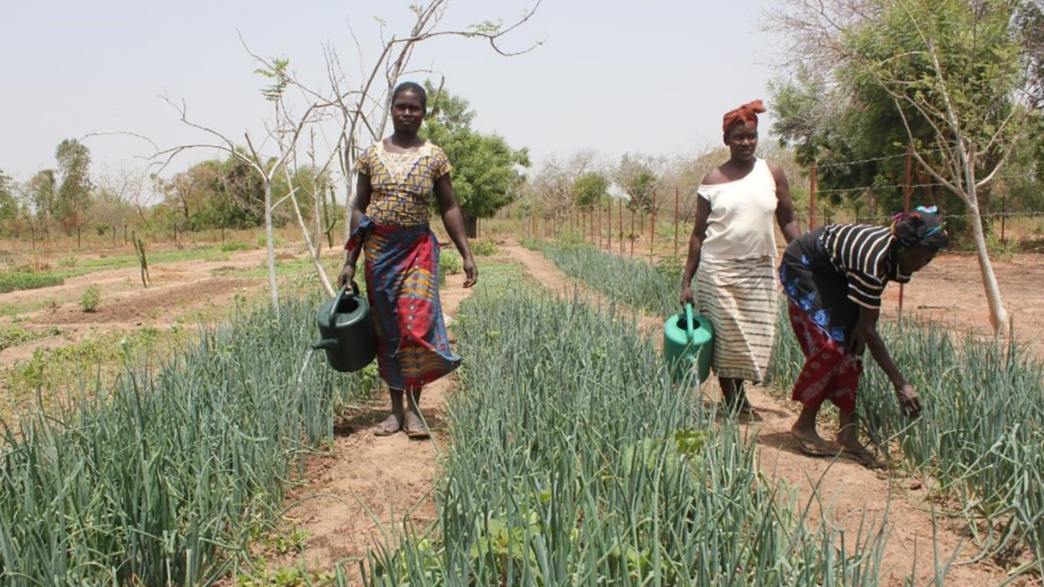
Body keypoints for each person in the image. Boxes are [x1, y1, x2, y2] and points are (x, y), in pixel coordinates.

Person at [337, 81, 478, 439]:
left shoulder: (434, 156)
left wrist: (466, 252)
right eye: (401, 106)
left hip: (418, 250)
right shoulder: (370, 156)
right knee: (389, 331)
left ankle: (415, 410)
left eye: (414, 108)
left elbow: (449, 206)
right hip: (380, 252)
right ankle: (395, 410)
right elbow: (359, 207)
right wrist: (350, 259)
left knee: (415, 328)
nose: (407, 113)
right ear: (392, 109)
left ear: (423, 113)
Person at [778, 207, 947, 467]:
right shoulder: (874, 259)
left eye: (927, 260)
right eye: (917, 258)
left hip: (838, 273)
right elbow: (870, 329)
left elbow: (866, 321)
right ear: (901, 248)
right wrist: (900, 384)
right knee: (831, 347)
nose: (919, 265)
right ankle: (804, 425)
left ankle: (847, 435)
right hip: (804, 265)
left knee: (852, 349)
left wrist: (858, 323)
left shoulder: (894, 255)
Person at [680, 99, 801, 414]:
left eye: (751, 136)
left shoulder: (771, 173)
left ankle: (739, 394)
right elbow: (698, 234)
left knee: (753, 336)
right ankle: (734, 400)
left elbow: (787, 219)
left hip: (758, 268)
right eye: (738, 137)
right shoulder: (713, 180)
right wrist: (686, 280)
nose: (746, 142)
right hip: (717, 270)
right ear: (726, 140)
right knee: (728, 338)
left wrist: (804, 256)